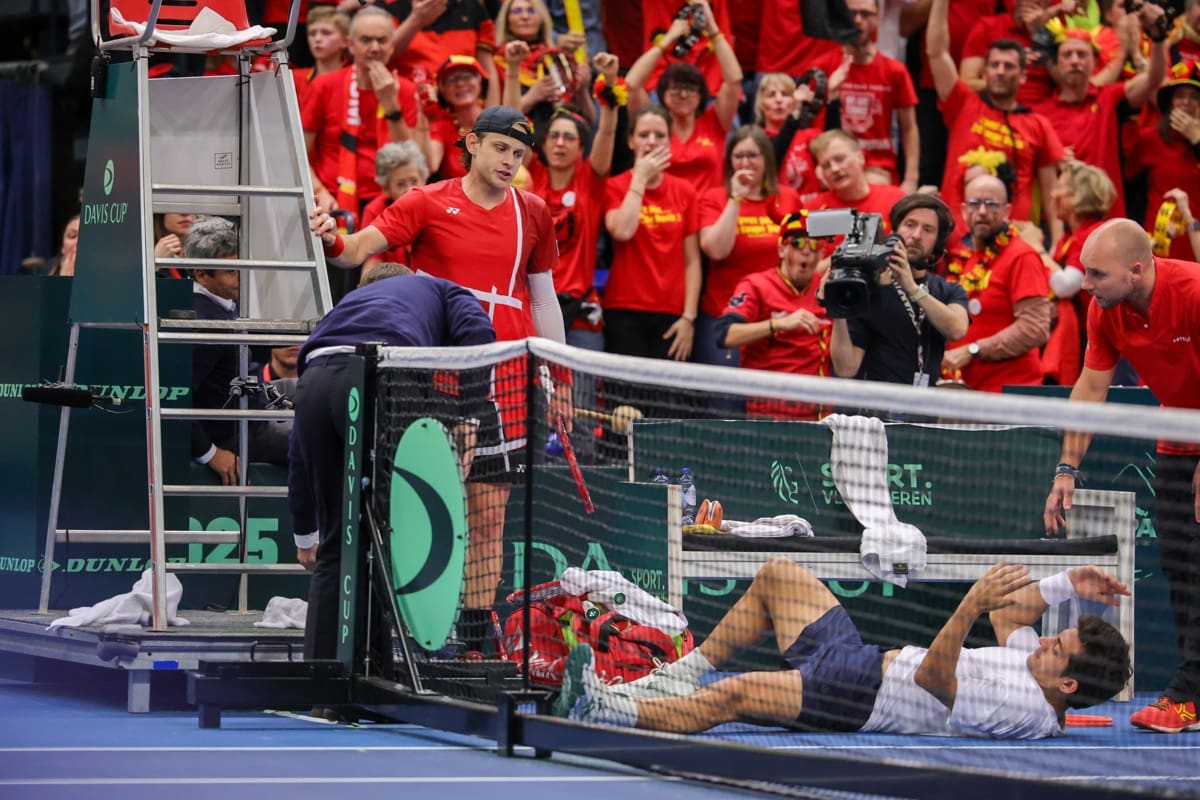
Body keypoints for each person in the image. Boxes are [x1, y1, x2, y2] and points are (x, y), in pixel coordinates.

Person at [309, 104, 566, 656]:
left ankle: (472, 647)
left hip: (506, 376)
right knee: (415, 507)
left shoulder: (534, 211)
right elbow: (355, 250)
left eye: (520, 154)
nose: (510, 161)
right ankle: (403, 637)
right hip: (434, 375)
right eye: (501, 148)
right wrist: (331, 238)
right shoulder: (425, 200)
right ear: (471, 143)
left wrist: (559, 375)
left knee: (489, 517)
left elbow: (544, 299)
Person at [556, 558, 1131, 739]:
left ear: (1067, 686)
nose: (1047, 638)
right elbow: (1012, 614)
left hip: (860, 698)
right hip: (863, 657)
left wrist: (967, 607)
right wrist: (1067, 584)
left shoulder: (1024, 708)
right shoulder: (1035, 669)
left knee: (734, 695)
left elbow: (934, 679)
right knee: (780, 575)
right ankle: (683, 672)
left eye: (1059, 646)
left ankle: (607, 710)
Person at [288, 263, 496, 665]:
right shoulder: (441, 287)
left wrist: (303, 535)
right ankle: (376, 670)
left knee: (336, 544)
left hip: (314, 382)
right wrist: (470, 419)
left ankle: (324, 679)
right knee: (384, 533)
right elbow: (481, 335)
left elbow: (299, 453)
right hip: (381, 375)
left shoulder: (345, 307)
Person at [1045, 217, 1200, 734]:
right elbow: (1091, 388)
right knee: (1183, 566)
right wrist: (1066, 468)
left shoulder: (1193, 292)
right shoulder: (1104, 310)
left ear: (1136, 271)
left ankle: (1188, 692)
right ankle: (1193, 692)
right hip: (1178, 436)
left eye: (1097, 274)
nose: (1085, 284)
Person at [926, 0, 1065, 242]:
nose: (1000, 71)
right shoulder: (963, 104)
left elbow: (1051, 194)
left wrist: (1056, 244)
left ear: (1023, 75)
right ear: (984, 72)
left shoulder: (1038, 124)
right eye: (994, 65)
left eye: (1009, 66)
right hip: (958, 240)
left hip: (1012, 242)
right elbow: (936, 53)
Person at [1032, 7, 1166, 220]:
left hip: (1107, 218)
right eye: (1067, 55)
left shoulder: (1108, 97)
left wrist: (1158, 37)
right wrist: (1053, 155)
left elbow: (1153, 79)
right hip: (1062, 221)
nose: (1075, 60)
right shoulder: (1040, 114)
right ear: (1056, 65)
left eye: (1082, 54)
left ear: (1095, 62)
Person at [187, 217, 289, 486]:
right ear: (201, 275)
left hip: (253, 401)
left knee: (304, 387)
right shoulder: (207, 325)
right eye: (231, 271)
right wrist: (210, 453)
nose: (241, 277)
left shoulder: (218, 303)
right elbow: (174, 396)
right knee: (314, 437)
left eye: (242, 266)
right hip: (236, 431)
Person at [828, 194, 970, 387]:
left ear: (937, 242)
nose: (916, 235)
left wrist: (911, 287)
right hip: (876, 405)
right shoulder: (867, 288)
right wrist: (837, 310)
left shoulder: (949, 290)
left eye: (928, 229)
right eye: (910, 225)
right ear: (894, 232)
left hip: (923, 405)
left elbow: (957, 329)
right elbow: (846, 369)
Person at [303, 6, 421, 223]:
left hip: (389, 201)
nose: (374, 47)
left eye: (382, 40)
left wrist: (391, 105)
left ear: (392, 45)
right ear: (350, 44)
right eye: (366, 40)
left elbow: (409, 159)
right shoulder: (324, 85)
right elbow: (299, 152)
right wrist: (318, 190)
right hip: (333, 201)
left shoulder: (406, 89)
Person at [697, 126, 801, 370]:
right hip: (725, 314)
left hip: (780, 315)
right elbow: (716, 250)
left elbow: (803, 255)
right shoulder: (714, 198)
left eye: (752, 155)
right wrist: (736, 198)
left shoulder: (788, 197)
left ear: (766, 158)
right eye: (738, 156)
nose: (745, 163)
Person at [714, 211, 829, 420]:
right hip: (768, 415)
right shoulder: (757, 285)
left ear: (822, 254)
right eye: (797, 244)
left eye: (815, 245)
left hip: (820, 416)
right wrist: (778, 324)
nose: (807, 252)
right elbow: (724, 334)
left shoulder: (827, 290)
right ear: (781, 249)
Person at [941, 173, 1051, 392]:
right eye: (975, 203)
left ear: (1007, 211)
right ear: (963, 210)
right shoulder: (959, 257)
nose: (982, 211)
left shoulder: (1022, 256)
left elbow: (1035, 328)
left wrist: (974, 350)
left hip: (1009, 393)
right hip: (965, 392)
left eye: (991, 204)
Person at [624, 0, 742, 195]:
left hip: (709, 209)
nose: (684, 94)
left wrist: (713, 29)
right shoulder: (654, 126)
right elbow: (632, 85)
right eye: (676, 89)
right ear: (663, 94)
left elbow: (733, 80)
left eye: (690, 89)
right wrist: (668, 39)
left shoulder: (715, 122)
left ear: (701, 95)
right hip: (664, 208)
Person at [811, 0, 919, 192]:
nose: (858, 20)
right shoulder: (822, 66)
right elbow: (808, 126)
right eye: (852, 14)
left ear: (878, 19)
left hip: (880, 169)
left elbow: (909, 128)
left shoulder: (894, 71)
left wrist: (911, 178)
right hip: (831, 168)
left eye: (865, 14)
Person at [803, 130, 906, 232]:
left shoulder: (895, 199)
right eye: (826, 166)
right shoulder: (814, 210)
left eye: (839, 159)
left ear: (860, 158)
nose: (834, 169)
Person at [360, 140, 430, 279]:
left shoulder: (436, 205)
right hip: (395, 285)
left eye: (414, 181)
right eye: (400, 184)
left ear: (424, 179)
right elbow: (372, 264)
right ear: (386, 188)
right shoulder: (375, 210)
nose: (410, 190)